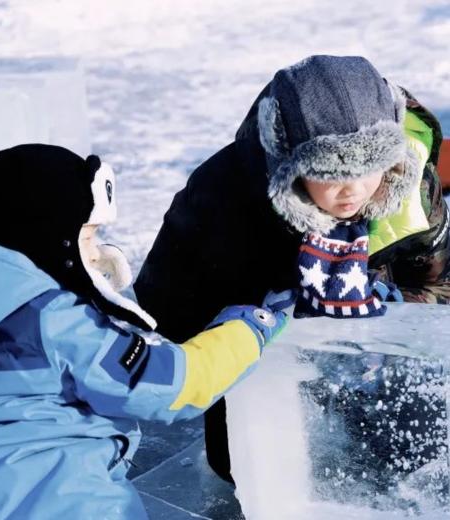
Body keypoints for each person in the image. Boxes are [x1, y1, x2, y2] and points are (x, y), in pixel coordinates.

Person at [134, 55, 450, 483]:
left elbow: (441, 288)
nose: (353, 189)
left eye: (370, 167)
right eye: (331, 171)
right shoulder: (219, 196)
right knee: (258, 477)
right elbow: (161, 307)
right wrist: (257, 319)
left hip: (383, 379)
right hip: (265, 390)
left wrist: (388, 308)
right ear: (289, 156)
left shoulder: (408, 182)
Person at [0, 144, 287, 519]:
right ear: (48, 238)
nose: (97, 252)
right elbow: (174, 385)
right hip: (65, 503)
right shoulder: (54, 321)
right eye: (87, 236)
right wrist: (248, 329)